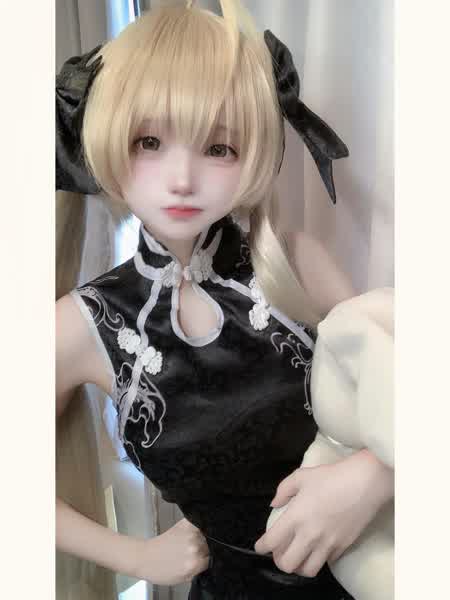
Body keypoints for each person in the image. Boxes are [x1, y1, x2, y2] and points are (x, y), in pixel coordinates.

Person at [55, 1, 394, 598]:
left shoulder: (297, 262)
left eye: (219, 148)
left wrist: (377, 476)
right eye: (149, 141)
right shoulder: (81, 325)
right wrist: (136, 555)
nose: (182, 178)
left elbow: (403, 392)